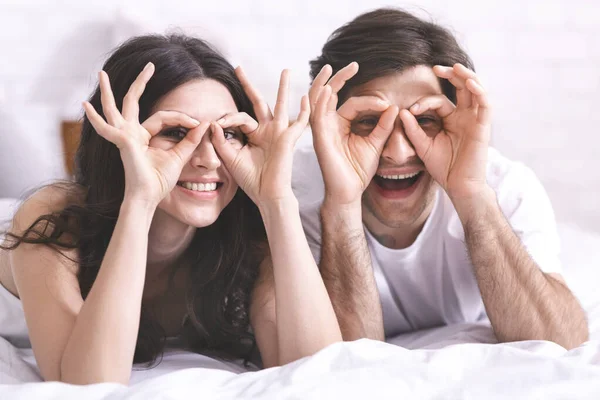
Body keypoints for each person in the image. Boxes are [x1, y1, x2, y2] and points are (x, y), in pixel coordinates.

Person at [0, 33, 341, 385]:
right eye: (177, 133)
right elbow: (87, 384)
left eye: (228, 133)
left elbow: (318, 373)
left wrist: (277, 200)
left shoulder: (250, 229)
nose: (209, 160)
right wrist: (140, 199)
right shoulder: (53, 218)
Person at [293, 7, 588, 349]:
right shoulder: (297, 194)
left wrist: (472, 195)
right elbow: (339, 360)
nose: (398, 152)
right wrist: (342, 204)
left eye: (427, 119)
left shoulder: (505, 186)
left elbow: (562, 341)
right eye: (369, 121)